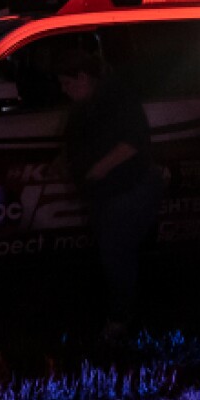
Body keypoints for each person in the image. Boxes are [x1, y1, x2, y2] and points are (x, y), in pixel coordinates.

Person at [56, 48, 165, 344]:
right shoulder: (87, 103)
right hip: (106, 192)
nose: (65, 91)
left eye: (67, 83)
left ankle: (122, 320)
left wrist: (97, 170)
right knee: (112, 254)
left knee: (117, 254)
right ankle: (123, 314)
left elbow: (133, 141)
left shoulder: (116, 99)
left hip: (127, 189)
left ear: (83, 77)